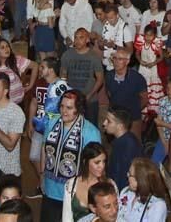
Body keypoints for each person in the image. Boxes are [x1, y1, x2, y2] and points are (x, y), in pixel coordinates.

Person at [39, 90, 101, 222]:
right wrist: (41, 174)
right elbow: (44, 148)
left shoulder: (90, 132)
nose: (64, 111)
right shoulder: (51, 123)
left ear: (79, 109)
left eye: (69, 108)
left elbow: (95, 166)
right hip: (50, 189)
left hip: (73, 194)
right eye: (61, 106)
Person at [28, 57, 70, 195]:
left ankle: (46, 187)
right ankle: (43, 181)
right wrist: (32, 123)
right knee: (35, 156)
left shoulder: (59, 87)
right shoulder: (46, 84)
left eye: (43, 67)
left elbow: (56, 112)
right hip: (42, 127)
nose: (40, 69)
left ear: (51, 70)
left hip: (52, 129)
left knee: (49, 158)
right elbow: (35, 103)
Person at [61, 27, 105, 125]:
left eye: (81, 37)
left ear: (87, 40)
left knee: (91, 127)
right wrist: (66, 95)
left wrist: (90, 95)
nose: (77, 41)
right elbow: (63, 77)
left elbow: (100, 79)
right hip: (71, 99)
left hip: (90, 99)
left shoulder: (94, 56)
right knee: (70, 126)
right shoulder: (67, 55)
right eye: (76, 38)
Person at [62, 142, 114, 222]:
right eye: (97, 162)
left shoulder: (110, 184)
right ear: (85, 162)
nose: (102, 166)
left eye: (104, 161)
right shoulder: (71, 184)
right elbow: (66, 218)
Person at [105, 47, 148, 137]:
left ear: (127, 61)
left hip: (133, 119)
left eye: (120, 59)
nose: (116, 61)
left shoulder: (137, 78)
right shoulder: (109, 76)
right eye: (115, 58)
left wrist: (133, 112)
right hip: (115, 118)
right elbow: (109, 94)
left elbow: (144, 99)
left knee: (134, 143)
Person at [102, 106, 143, 191]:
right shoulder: (120, 141)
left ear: (120, 126)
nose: (104, 123)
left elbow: (123, 176)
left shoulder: (128, 145)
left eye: (109, 121)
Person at [117, 157, 169, 222]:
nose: (127, 175)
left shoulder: (158, 206)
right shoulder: (125, 192)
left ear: (140, 180)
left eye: (130, 174)